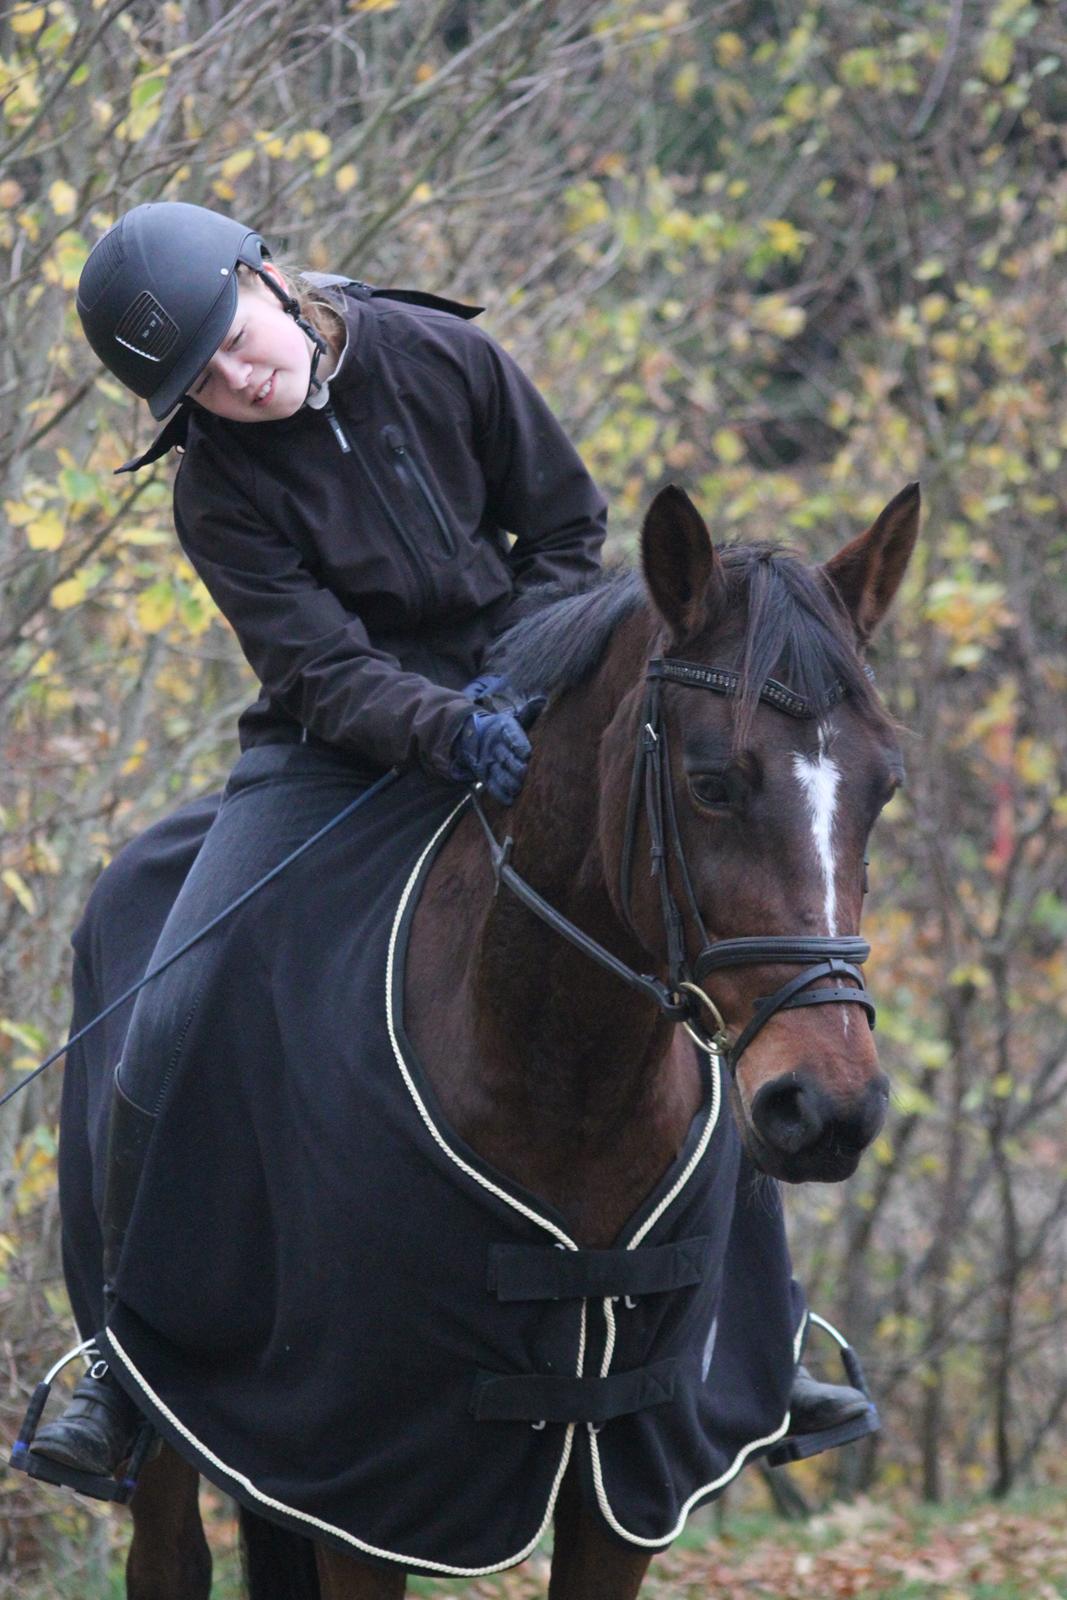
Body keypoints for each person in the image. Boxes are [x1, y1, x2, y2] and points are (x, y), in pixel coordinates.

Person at [30, 201, 870, 1480]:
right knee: (175, 996)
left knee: (698, 943)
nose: (234, 379)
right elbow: (315, 666)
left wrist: (522, 673)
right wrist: (440, 726)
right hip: (332, 746)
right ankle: (120, 1362)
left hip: (529, 696)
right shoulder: (214, 489)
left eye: (232, 338)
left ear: (267, 278)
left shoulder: (443, 354)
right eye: (196, 379)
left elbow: (566, 527)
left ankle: (770, 1335)